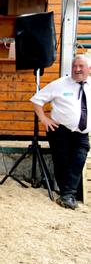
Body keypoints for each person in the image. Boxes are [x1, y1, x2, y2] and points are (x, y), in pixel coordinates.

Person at [31, 54, 90, 210]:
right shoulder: (60, 84)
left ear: (89, 69)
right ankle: (68, 195)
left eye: (81, 66)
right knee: (62, 162)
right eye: (74, 66)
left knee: (78, 161)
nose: (77, 69)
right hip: (60, 131)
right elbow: (37, 100)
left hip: (82, 133)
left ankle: (67, 194)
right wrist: (44, 119)